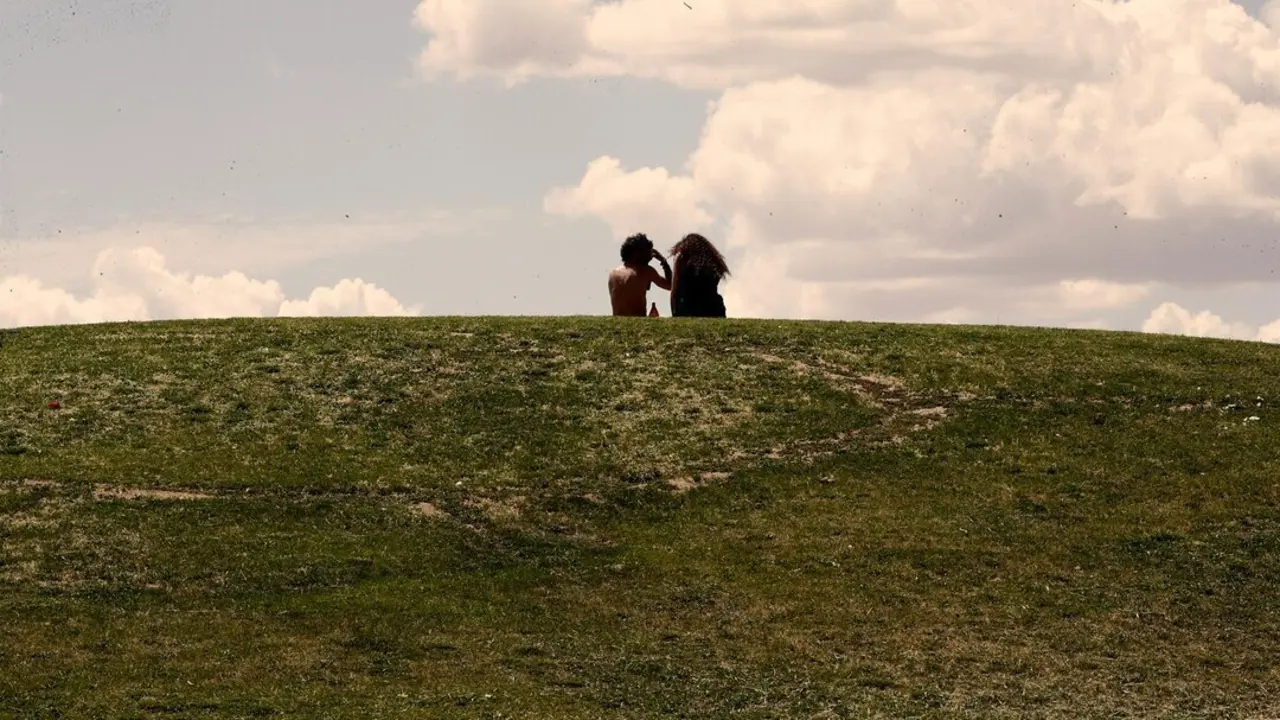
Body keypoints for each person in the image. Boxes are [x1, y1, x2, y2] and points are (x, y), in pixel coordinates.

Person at [608, 233, 672, 317]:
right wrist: (664, 262)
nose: (651, 256)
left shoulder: (613, 273)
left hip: (617, 322)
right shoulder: (645, 270)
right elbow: (670, 286)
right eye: (648, 252)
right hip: (637, 322)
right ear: (637, 253)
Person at [669, 233, 729, 318]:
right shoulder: (713, 263)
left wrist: (675, 313)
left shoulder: (682, 258)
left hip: (689, 307)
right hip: (712, 307)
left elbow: (674, 290)